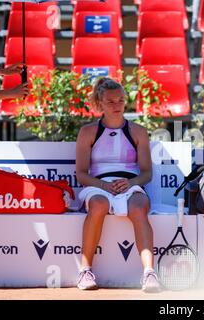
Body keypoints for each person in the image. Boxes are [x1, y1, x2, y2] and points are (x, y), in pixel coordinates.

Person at [75, 77, 161, 293]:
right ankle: (85, 270)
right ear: (100, 103)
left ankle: (149, 273)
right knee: (98, 204)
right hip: (97, 185)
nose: (117, 105)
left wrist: (130, 183)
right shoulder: (87, 132)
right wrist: (104, 186)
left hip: (129, 184)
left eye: (121, 101)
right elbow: (82, 175)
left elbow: (147, 173)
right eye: (111, 101)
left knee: (139, 205)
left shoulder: (138, 131)